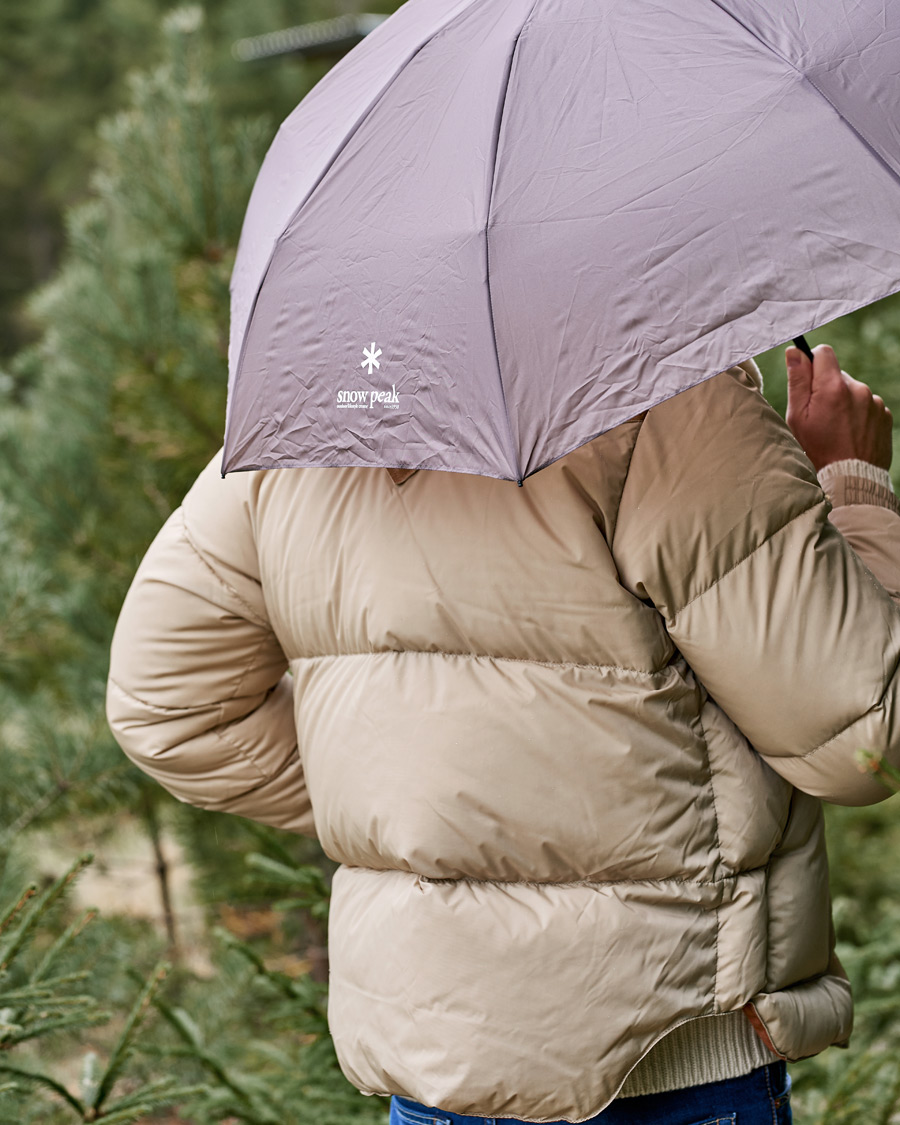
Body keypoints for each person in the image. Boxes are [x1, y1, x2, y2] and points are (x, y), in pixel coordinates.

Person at [106, 343, 900, 1125]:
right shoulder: (663, 399)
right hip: (676, 1055)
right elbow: (864, 736)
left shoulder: (297, 425)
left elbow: (168, 707)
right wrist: (851, 484)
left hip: (440, 1069)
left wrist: (423, 806)